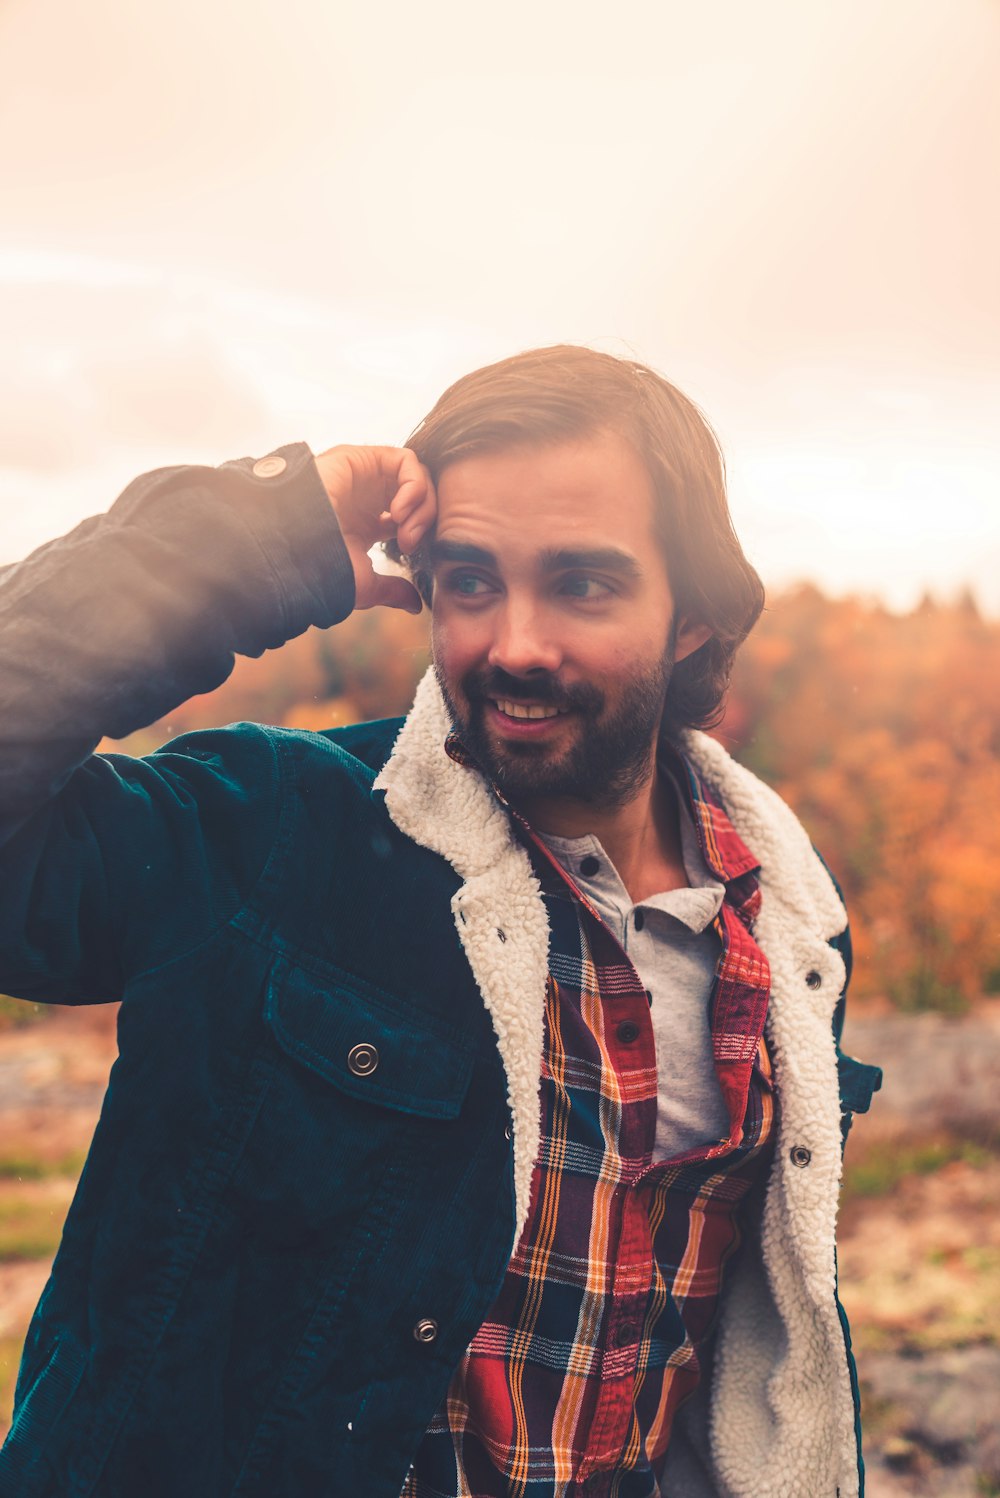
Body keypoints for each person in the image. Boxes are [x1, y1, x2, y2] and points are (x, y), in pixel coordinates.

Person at [0, 345, 881, 1498]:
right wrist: (252, 535)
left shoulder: (788, 918)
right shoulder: (275, 827)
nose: (513, 643)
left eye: (583, 584)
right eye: (468, 581)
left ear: (692, 618)